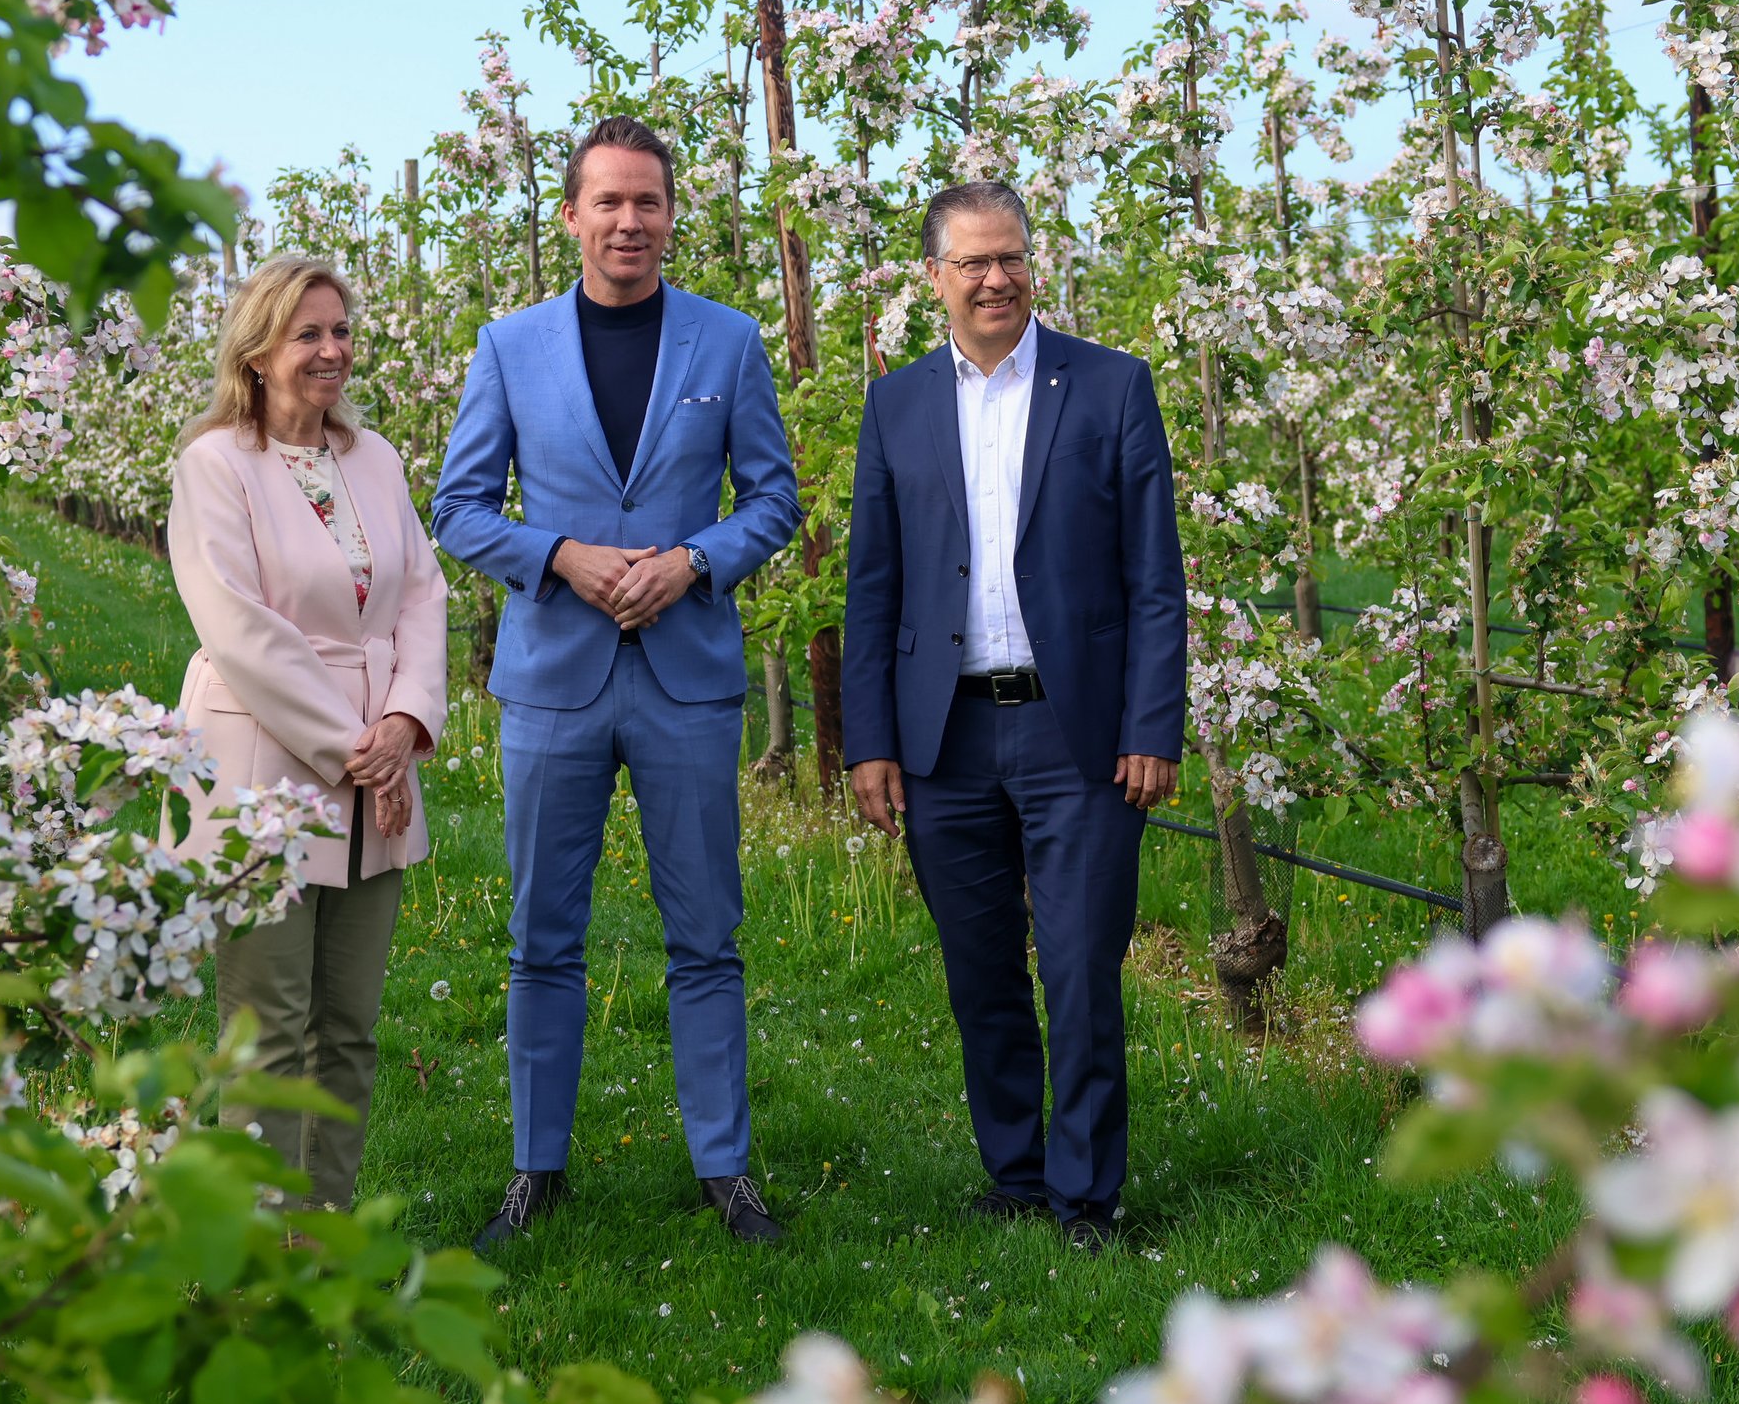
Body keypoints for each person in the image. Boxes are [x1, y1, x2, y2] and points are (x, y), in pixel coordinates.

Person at [432, 115, 801, 1250]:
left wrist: (694, 560)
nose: (629, 221)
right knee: (543, 935)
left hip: (687, 681)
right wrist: (557, 555)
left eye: (648, 201)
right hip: (555, 680)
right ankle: (535, 1169)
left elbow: (772, 501)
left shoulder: (728, 342)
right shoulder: (510, 346)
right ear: (571, 216)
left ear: (672, 214)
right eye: (609, 201)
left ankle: (725, 1173)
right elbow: (457, 508)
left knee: (707, 935)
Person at [841, 181, 1186, 1253]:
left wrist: (1151, 725)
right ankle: (1017, 1173)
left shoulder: (1112, 386)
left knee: (1080, 968)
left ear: (1034, 264)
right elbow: (873, 586)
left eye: (1013, 259)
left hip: (1076, 732)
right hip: (942, 736)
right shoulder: (895, 404)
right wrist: (870, 743)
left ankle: (1086, 1195)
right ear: (934, 277)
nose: (997, 280)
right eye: (974, 263)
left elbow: (1154, 579)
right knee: (980, 968)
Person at [166, 253, 449, 1214]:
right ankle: (258, 1247)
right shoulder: (215, 465)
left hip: (379, 763)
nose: (332, 351)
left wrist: (405, 722)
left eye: (341, 331)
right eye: (308, 334)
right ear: (256, 353)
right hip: (266, 765)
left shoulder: (373, 458)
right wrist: (358, 750)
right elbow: (239, 626)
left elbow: (422, 596)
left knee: (349, 1026)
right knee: (269, 1029)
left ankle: (325, 1234)